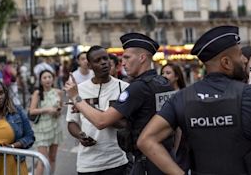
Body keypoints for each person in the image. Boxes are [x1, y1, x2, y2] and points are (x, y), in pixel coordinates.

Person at [137, 26, 251, 174]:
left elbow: (146, 140)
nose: (244, 60)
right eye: (239, 55)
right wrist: (248, 152)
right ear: (226, 62)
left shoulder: (182, 98)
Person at [64, 32, 176, 175]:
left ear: (142, 58)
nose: (122, 63)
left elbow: (101, 121)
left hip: (144, 162)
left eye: (127, 57)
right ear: (90, 65)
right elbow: (175, 127)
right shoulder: (164, 83)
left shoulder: (135, 88)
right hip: (165, 158)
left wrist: (76, 98)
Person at [66, 46, 129, 175]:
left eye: (105, 58)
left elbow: (128, 124)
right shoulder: (78, 91)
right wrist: (80, 135)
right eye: (98, 60)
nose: (104, 62)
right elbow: (72, 122)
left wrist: (100, 115)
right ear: (89, 65)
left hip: (117, 161)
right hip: (88, 164)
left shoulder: (124, 88)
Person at [29, 70, 63, 175]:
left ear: (53, 79)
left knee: (52, 158)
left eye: (49, 77)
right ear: (40, 80)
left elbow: (60, 109)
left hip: (55, 127)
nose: (47, 79)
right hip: (42, 129)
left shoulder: (58, 92)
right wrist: (47, 110)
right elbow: (32, 111)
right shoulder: (37, 93)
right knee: (42, 160)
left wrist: (57, 111)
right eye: (44, 77)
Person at [160, 63, 188, 172]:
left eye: (168, 73)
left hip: (181, 144)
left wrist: (175, 150)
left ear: (176, 76)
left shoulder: (183, 95)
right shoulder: (161, 95)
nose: (164, 76)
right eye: (162, 73)